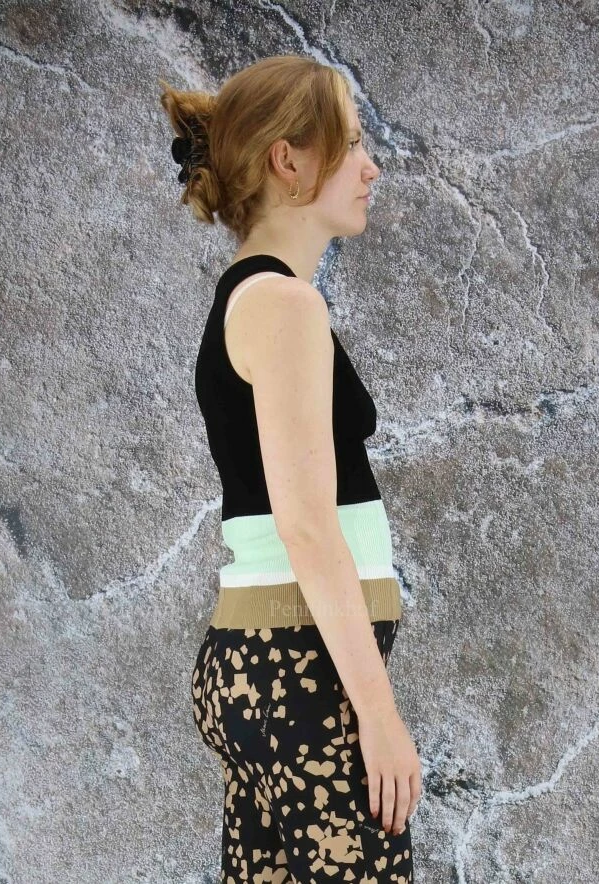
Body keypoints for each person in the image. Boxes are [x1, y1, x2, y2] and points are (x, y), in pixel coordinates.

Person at [160, 54, 421, 883]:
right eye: (354, 143)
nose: (371, 167)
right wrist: (378, 717)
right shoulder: (283, 304)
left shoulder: (250, 298)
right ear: (289, 160)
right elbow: (306, 526)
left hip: (264, 672)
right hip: (299, 674)